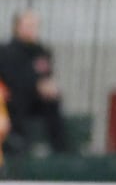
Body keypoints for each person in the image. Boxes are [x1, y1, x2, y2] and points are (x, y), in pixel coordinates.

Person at [0, 9, 67, 154]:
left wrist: (49, 87)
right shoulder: (6, 51)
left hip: (36, 100)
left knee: (53, 100)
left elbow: (46, 74)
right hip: (13, 99)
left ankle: (59, 146)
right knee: (17, 97)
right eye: (28, 25)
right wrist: (35, 85)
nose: (32, 29)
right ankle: (17, 141)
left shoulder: (41, 51)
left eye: (34, 26)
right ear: (17, 27)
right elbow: (12, 78)